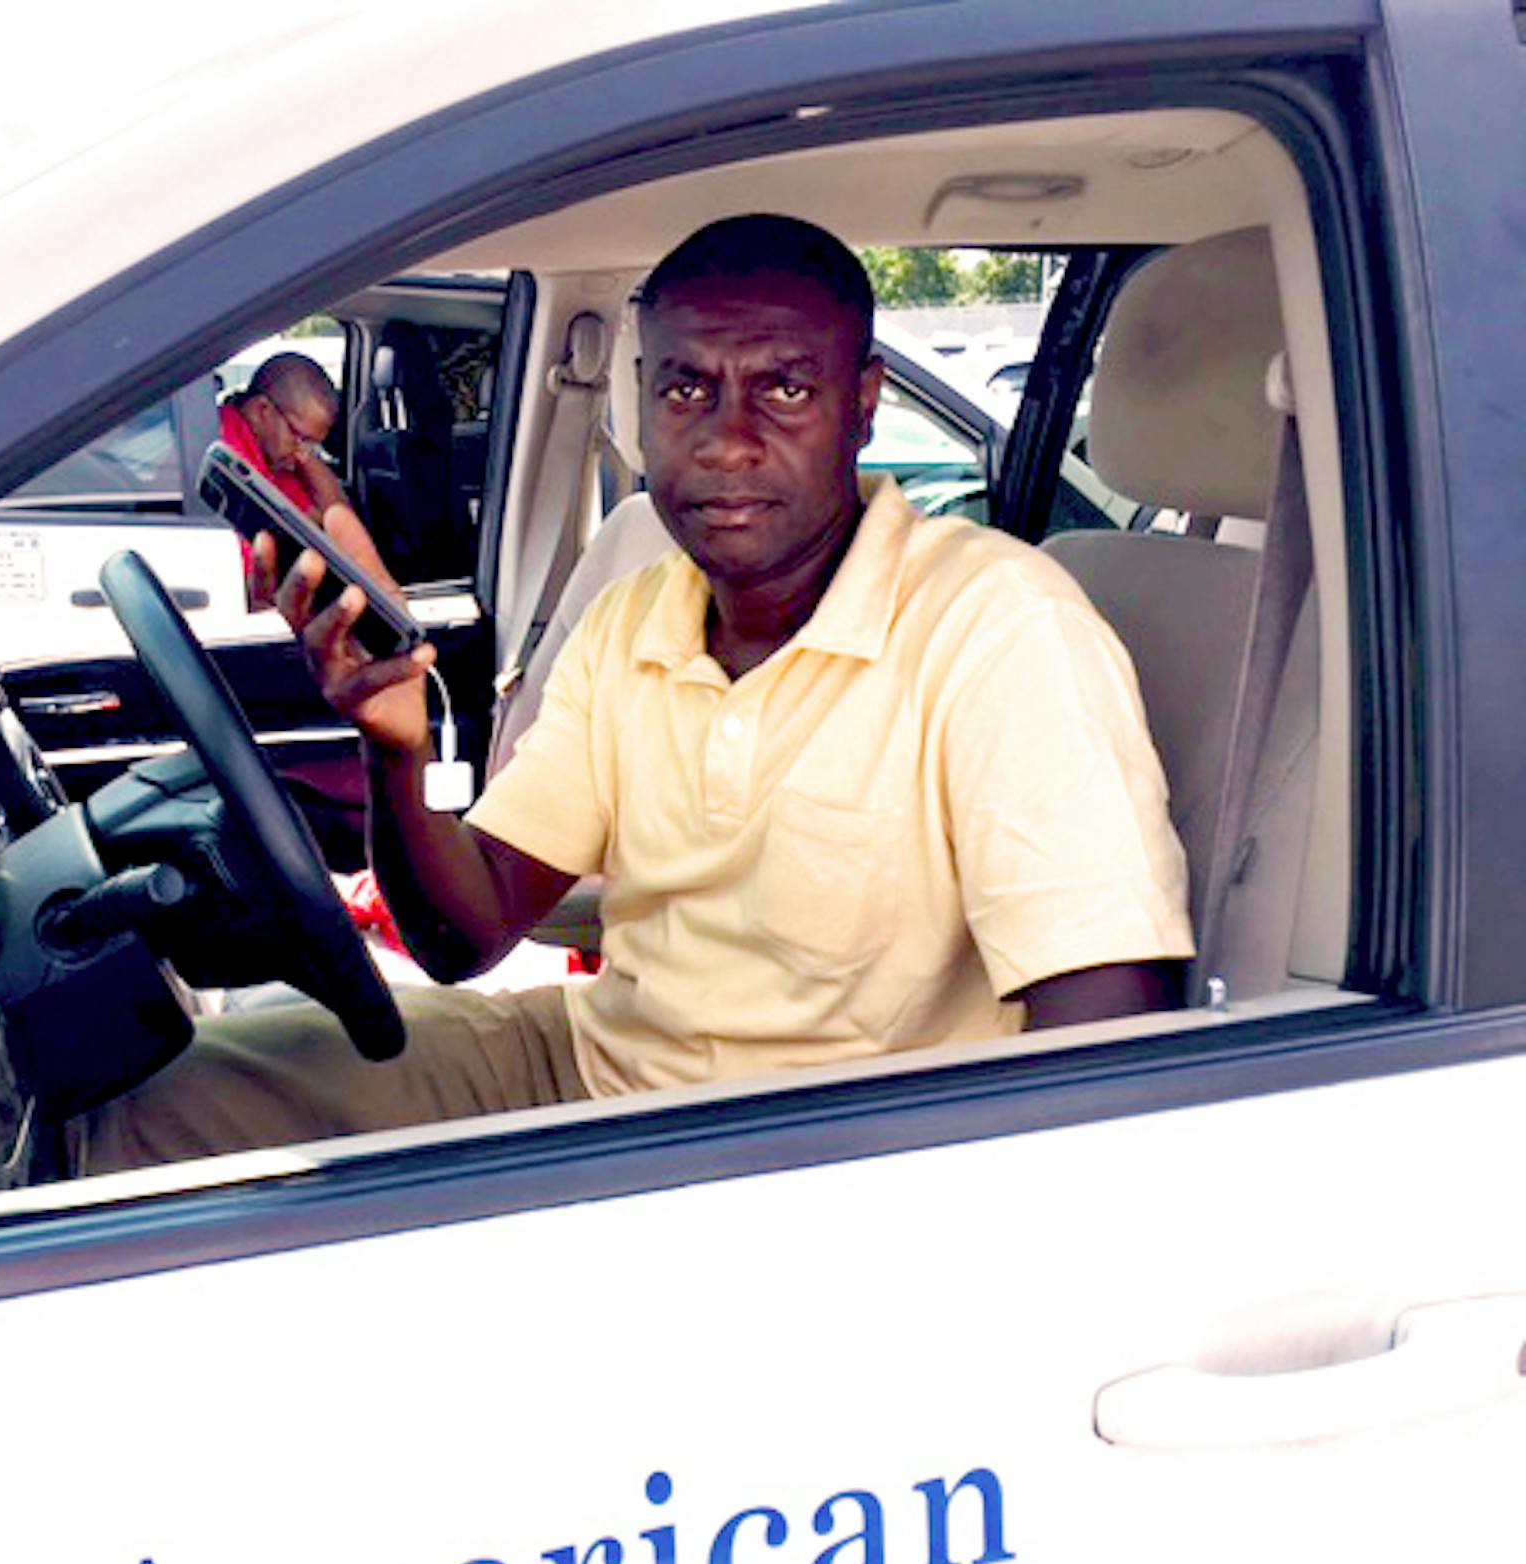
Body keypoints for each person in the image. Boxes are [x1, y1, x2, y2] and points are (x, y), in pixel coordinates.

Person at [80, 214, 1192, 1171]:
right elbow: (466, 934)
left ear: (864, 405)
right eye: (686, 388)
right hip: (589, 1070)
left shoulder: (999, 625)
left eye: (786, 389)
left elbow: (1104, 1047)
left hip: (815, 1166)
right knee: (139, 1097)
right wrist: (395, 749)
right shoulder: (638, 617)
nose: (728, 440)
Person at [219, 350, 348, 520]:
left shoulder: (274, 458)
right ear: (262, 410)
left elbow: (335, 521)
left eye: (313, 447)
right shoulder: (226, 443)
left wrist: (307, 456)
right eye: (301, 439)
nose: (300, 456)